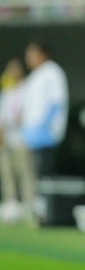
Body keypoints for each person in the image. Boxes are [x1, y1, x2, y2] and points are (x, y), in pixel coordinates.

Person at [21, 42, 69, 188]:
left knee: (45, 173)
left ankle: (47, 205)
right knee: (31, 172)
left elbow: (57, 101)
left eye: (32, 54)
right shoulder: (34, 76)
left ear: (42, 54)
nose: (28, 58)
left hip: (46, 133)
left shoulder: (52, 72)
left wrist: (46, 126)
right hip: (31, 133)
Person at [0, 59, 37, 225]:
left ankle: (29, 204)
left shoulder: (27, 89)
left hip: (22, 138)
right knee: (7, 173)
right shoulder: (7, 91)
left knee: (25, 172)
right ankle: (11, 204)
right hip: (7, 138)